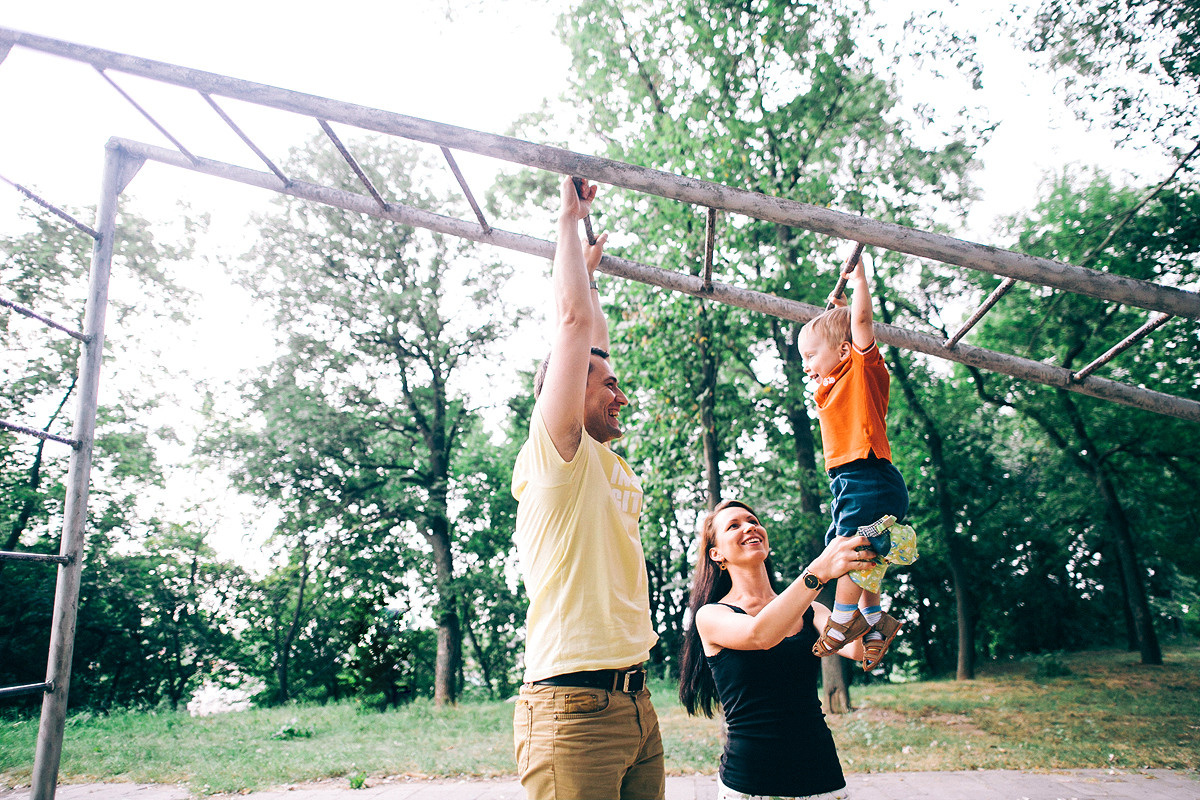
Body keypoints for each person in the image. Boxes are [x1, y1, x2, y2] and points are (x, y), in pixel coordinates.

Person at [510, 176, 664, 800]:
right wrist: (567, 223)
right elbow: (572, 327)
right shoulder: (558, 456)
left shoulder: (601, 462)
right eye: (608, 386)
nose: (621, 396)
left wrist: (590, 276)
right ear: (567, 395)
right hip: (571, 709)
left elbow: (589, 330)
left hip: (634, 704)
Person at [679, 498, 878, 800]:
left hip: (821, 776)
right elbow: (760, 634)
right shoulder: (711, 615)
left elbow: (863, 650)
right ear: (717, 554)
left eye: (753, 521)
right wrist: (819, 571)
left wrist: (869, 574)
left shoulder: (810, 610)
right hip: (750, 784)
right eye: (734, 526)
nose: (749, 527)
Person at [796, 253, 917, 671]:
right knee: (856, 547)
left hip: (868, 475)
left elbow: (861, 324)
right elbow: (832, 342)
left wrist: (861, 280)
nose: (806, 366)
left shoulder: (862, 370)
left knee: (849, 546)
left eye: (810, 356)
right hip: (853, 481)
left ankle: (843, 620)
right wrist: (825, 322)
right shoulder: (831, 386)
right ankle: (873, 620)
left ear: (844, 350)